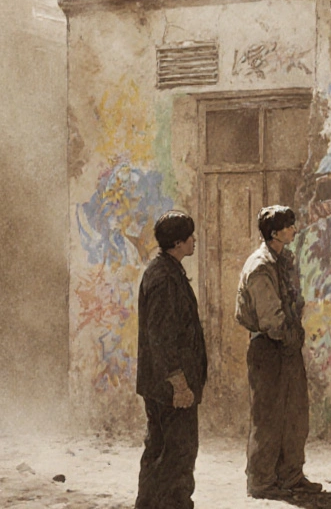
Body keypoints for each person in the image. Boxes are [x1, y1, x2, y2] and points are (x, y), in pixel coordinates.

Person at [234, 205, 321, 499]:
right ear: (274, 232)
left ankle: (291, 475)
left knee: (296, 412)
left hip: (287, 345)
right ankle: (261, 481)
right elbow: (271, 318)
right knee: (268, 416)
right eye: (288, 226)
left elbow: (294, 302)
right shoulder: (260, 266)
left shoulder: (284, 260)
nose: (294, 229)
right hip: (268, 347)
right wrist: (290, 336)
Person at [135, 211, 207, 509]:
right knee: (177, 453)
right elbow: (161, 338)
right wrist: (179, 384)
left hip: (161, 384)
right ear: (178, 242)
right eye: (190, 236)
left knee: (161, 449)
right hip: (168, 386)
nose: (194, 240)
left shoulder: (166, 270)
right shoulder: (164, 278)